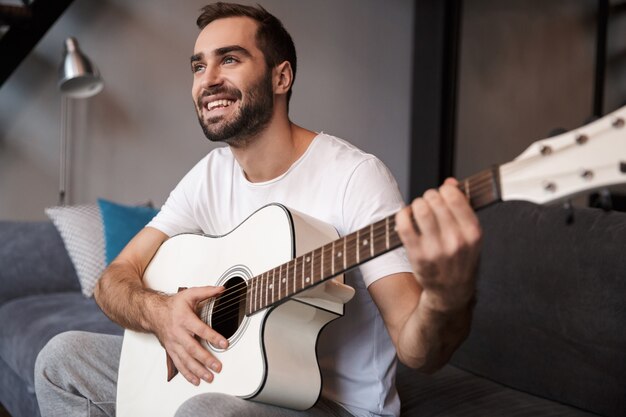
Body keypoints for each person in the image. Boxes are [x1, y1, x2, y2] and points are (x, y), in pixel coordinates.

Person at [34, 3, 481, 417]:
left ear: (281, 77)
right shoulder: (211, 173)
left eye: (229, 59)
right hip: (232, 377)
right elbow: (113, 279)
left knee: (206, 412)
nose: (208, 79)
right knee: (62, 359)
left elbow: (415, 348)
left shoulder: (355, 176)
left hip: (330, 405)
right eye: (198, 65)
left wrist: (448, 296)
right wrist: (161, 312)